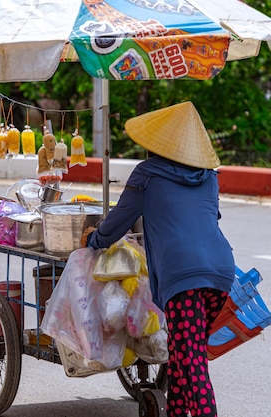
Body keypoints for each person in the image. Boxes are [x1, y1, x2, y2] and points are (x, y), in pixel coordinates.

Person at [82, 102, 235, 417]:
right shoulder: (209, 177)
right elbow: (207, 217)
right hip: (221, 271)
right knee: (183, 351)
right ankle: (177, 412)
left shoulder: (147, 173)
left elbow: (117, 222)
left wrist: (93, 240)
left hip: (184, 278)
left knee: (192, 361)